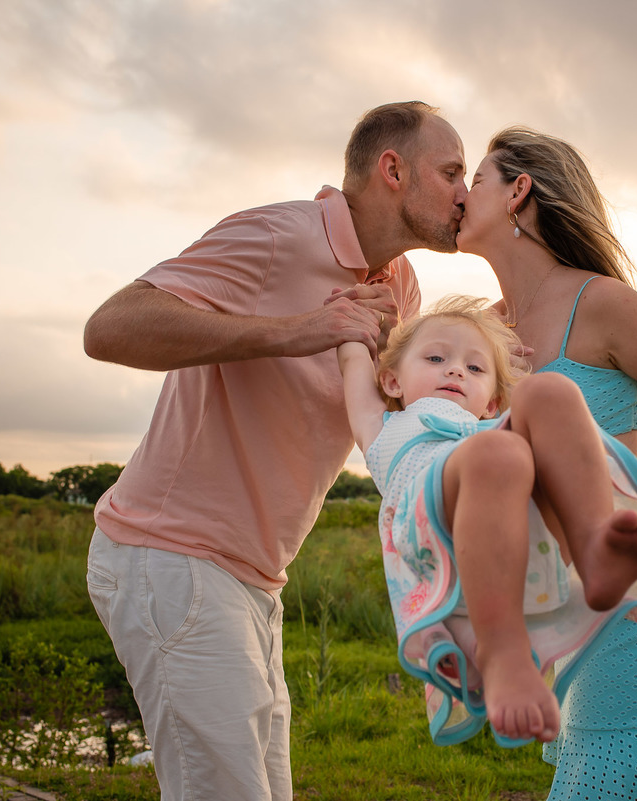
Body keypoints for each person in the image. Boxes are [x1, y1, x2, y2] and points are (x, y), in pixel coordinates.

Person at [81, 101, 468, 801]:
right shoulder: (277, 236)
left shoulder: (402, 285)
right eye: (451, 172)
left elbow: (389, 417)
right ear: (393, 170)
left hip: (258, 578)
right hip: (170, 554)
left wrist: (485, 358)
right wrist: (298, 329)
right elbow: (110, 327)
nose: (465, 193)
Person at [457, 127, 637, 799]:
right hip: (566, 624)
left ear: (518, 192)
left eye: (474, 179)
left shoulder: (604, 305)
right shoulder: (484, 332)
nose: (459, 193)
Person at [337, 295, 637, 744]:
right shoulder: (381, 428)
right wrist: (357, 313)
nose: (455, 369)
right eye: (436, 358)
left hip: (519, 527)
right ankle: (501, 652)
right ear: (392, 380)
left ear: (492, 403)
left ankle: (593, 551)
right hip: (434, 534)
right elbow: (353, 354)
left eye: (475, 368)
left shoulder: (489, 429)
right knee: (500, 452)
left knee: (548, 390)